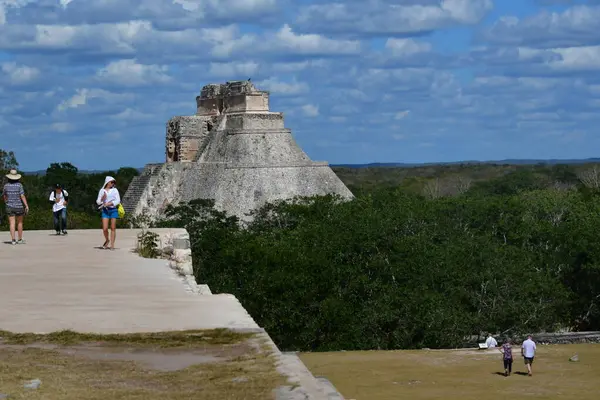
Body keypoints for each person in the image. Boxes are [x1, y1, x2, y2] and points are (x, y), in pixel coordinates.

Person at [2, 169, 29, 245]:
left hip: (9, 206)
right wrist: (26, 205)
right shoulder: (19, 185)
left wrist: (6, 202)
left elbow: (4, 195)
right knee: (20, 223)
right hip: (19, 206)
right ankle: (20, 239)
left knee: (12, 223)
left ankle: (13, 240)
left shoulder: (6, 186)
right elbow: (22, 196)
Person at [96, 176, 120, 250]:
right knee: (105, 228)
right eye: (112, 182)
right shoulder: (102, 190)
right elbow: (98, 202)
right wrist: (103, 198)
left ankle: (112, 245)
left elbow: (118, 200)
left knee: (113, 228)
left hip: (113, 210)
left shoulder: (115, 190)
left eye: (114, 182)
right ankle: (107, 240)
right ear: (107, 182)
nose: (113, 184)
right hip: (105, 210)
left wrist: (110, 203)